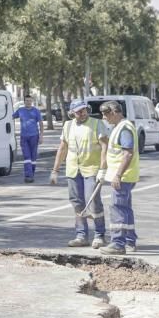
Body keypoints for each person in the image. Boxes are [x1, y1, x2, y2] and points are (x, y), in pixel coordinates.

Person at [49, 98, 109, 249]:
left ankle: (100, 235)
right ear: (72, 113)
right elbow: (62, 149)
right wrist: (55, 170)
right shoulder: (68, 126)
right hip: (73, 170)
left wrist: (103, 169)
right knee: (77, 203)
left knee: (93, 202)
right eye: (78, 111)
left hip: (92, 170)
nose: (82, 113)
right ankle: (81, 236)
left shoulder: (96, 124)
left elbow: (105, 147)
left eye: (84, 110)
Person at [99, 100, 140, 255]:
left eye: (106, 114)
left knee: (118, 209)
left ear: (115, 112)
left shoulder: (124, 128)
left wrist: (118, 175)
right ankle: (130, 241)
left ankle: (118, 243)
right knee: (126, 209)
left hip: (123, 177)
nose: (104, 118)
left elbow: (127, 153)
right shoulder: (120, 128)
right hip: (126, 176)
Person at [13, 95, 43, 183]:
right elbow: (11, 117)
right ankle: (28, 175)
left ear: (32, 101)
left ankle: (31, 174)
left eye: (30, 101)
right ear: (24, 101)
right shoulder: (20, 110)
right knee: (27, 157)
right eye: (27, 101)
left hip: (34, 136)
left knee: (33, 157)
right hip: (24, 137)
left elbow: (41, 123)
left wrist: (41, 136)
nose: (28, 102)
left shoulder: (36, 111)